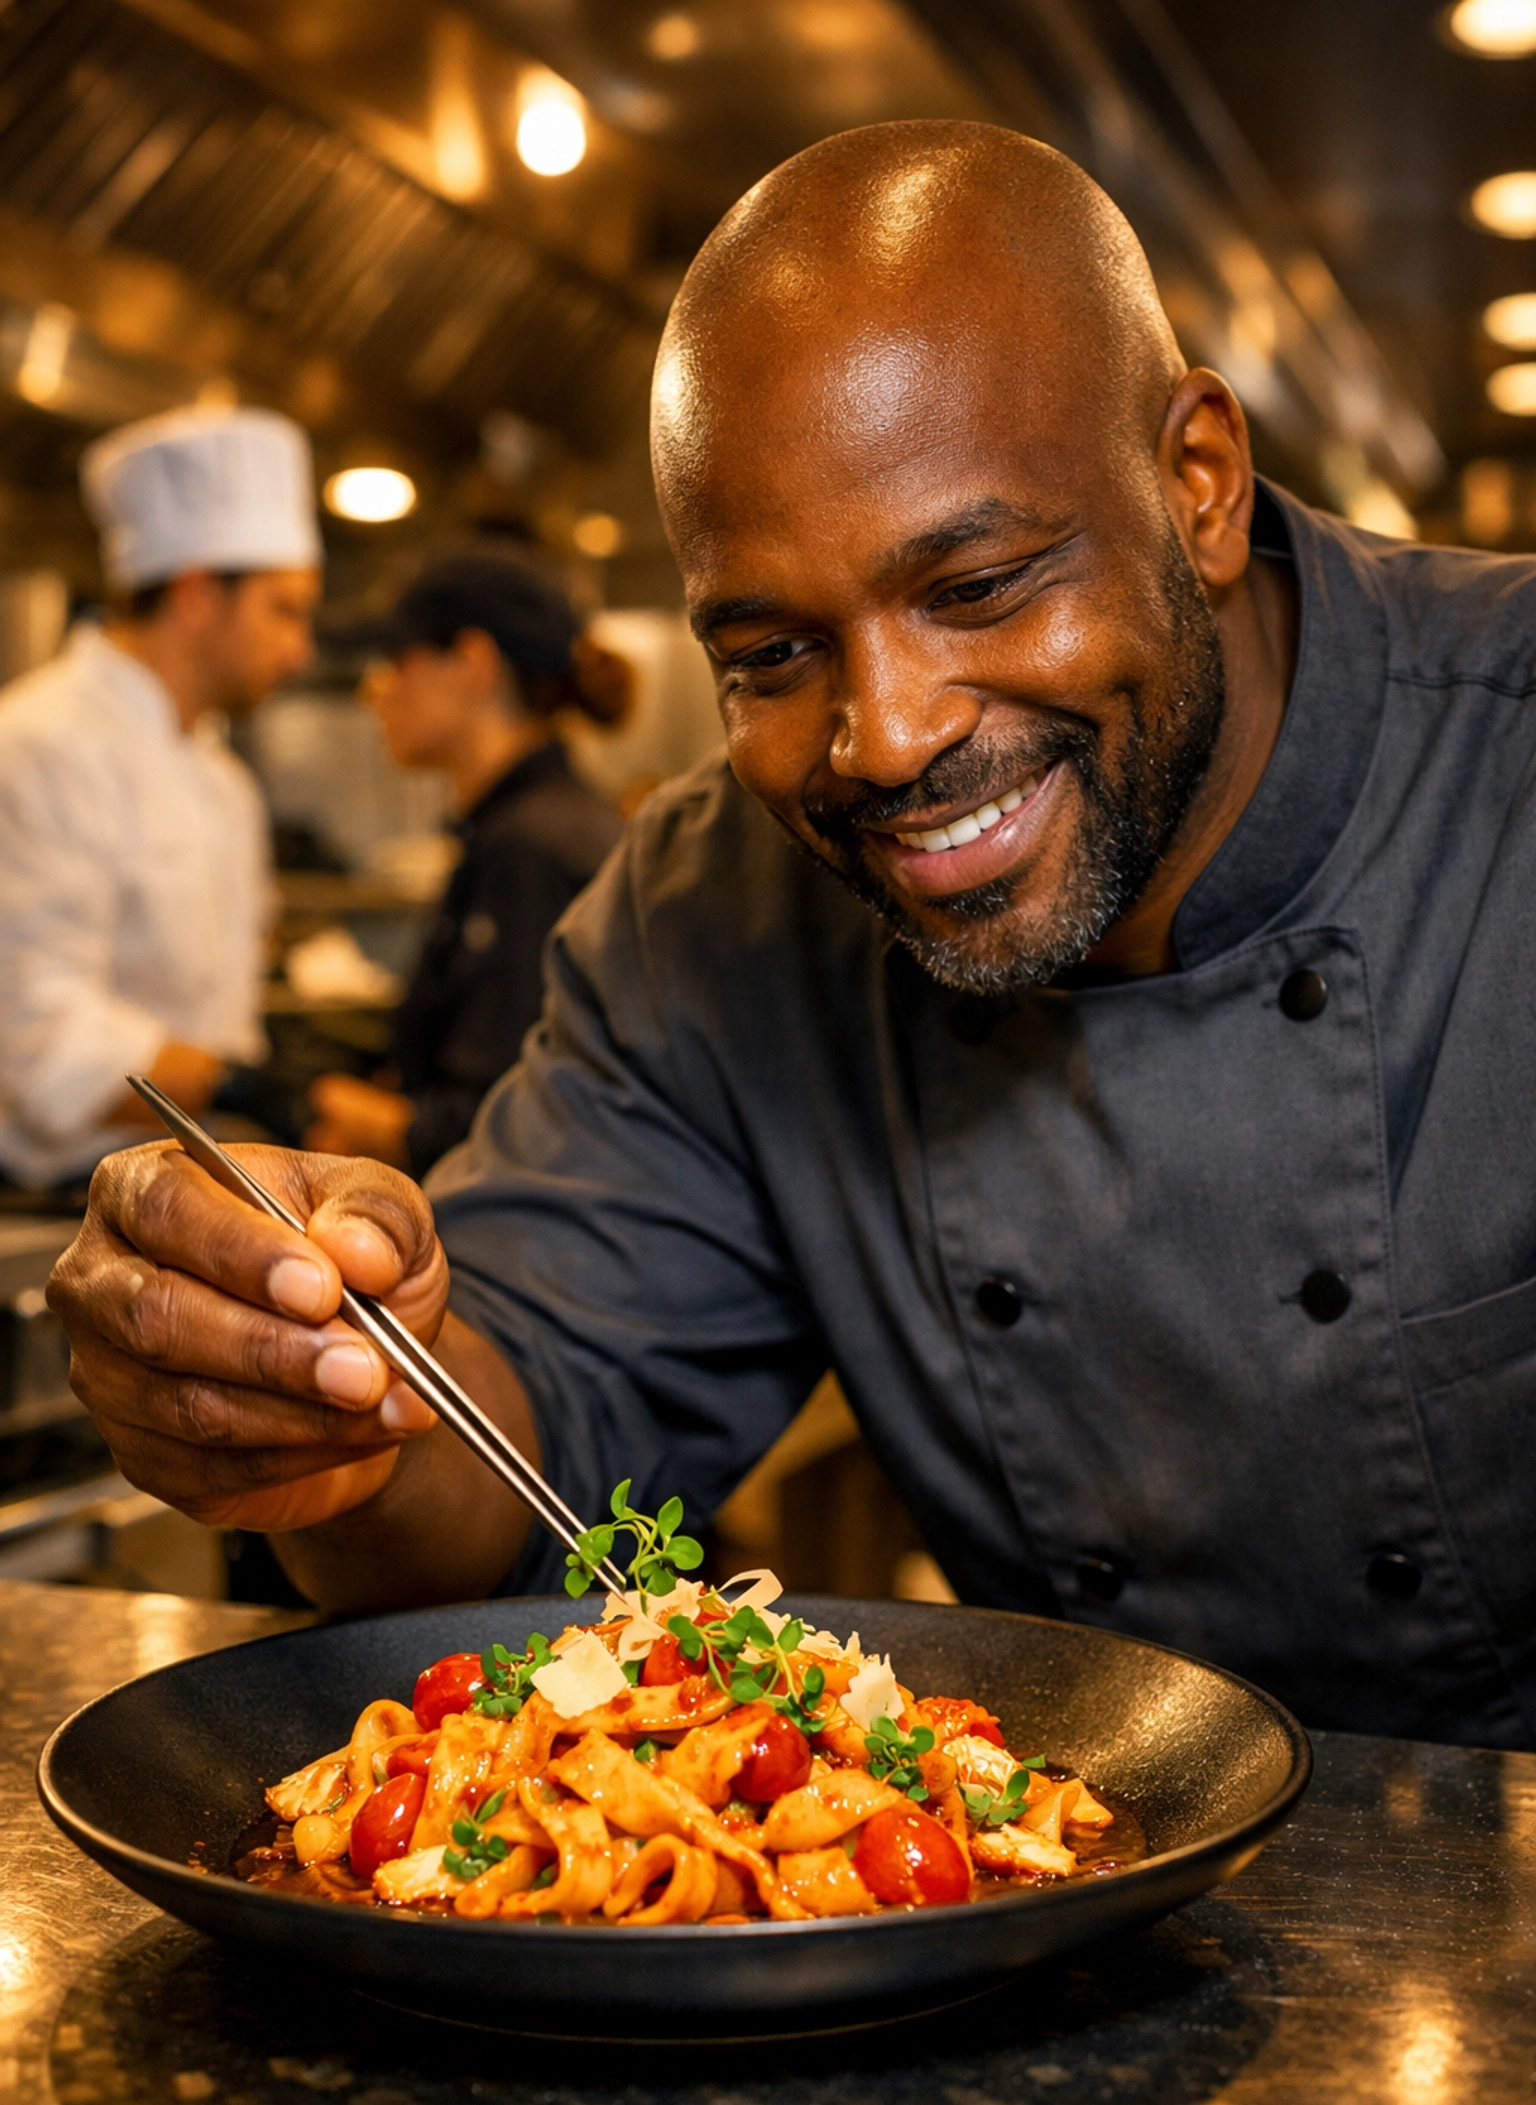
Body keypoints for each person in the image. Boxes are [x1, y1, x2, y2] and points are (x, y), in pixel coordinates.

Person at [46, 124, 1536, 1747]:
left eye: (975, 583)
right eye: (770, 653)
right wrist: (312, 1383)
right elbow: (517, 1440)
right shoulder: (705, 913)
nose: (884, 736)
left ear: (1196, 483)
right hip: (1040, 1910)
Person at [0, 405, 320, 1194]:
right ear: (195, 593)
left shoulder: (224, 781)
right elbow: (36, 1037)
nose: (300, 648)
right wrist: (240, 1086)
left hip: (202, 1179)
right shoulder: (34, 747)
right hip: (62, 1199)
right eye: (284, 609)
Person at [306, 555, 627, 1178]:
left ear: (473, 664)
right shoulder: (540, 824)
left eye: (396, 661)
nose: (374, 690)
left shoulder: (531, 849)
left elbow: (517, 1122)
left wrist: (365, 1121)